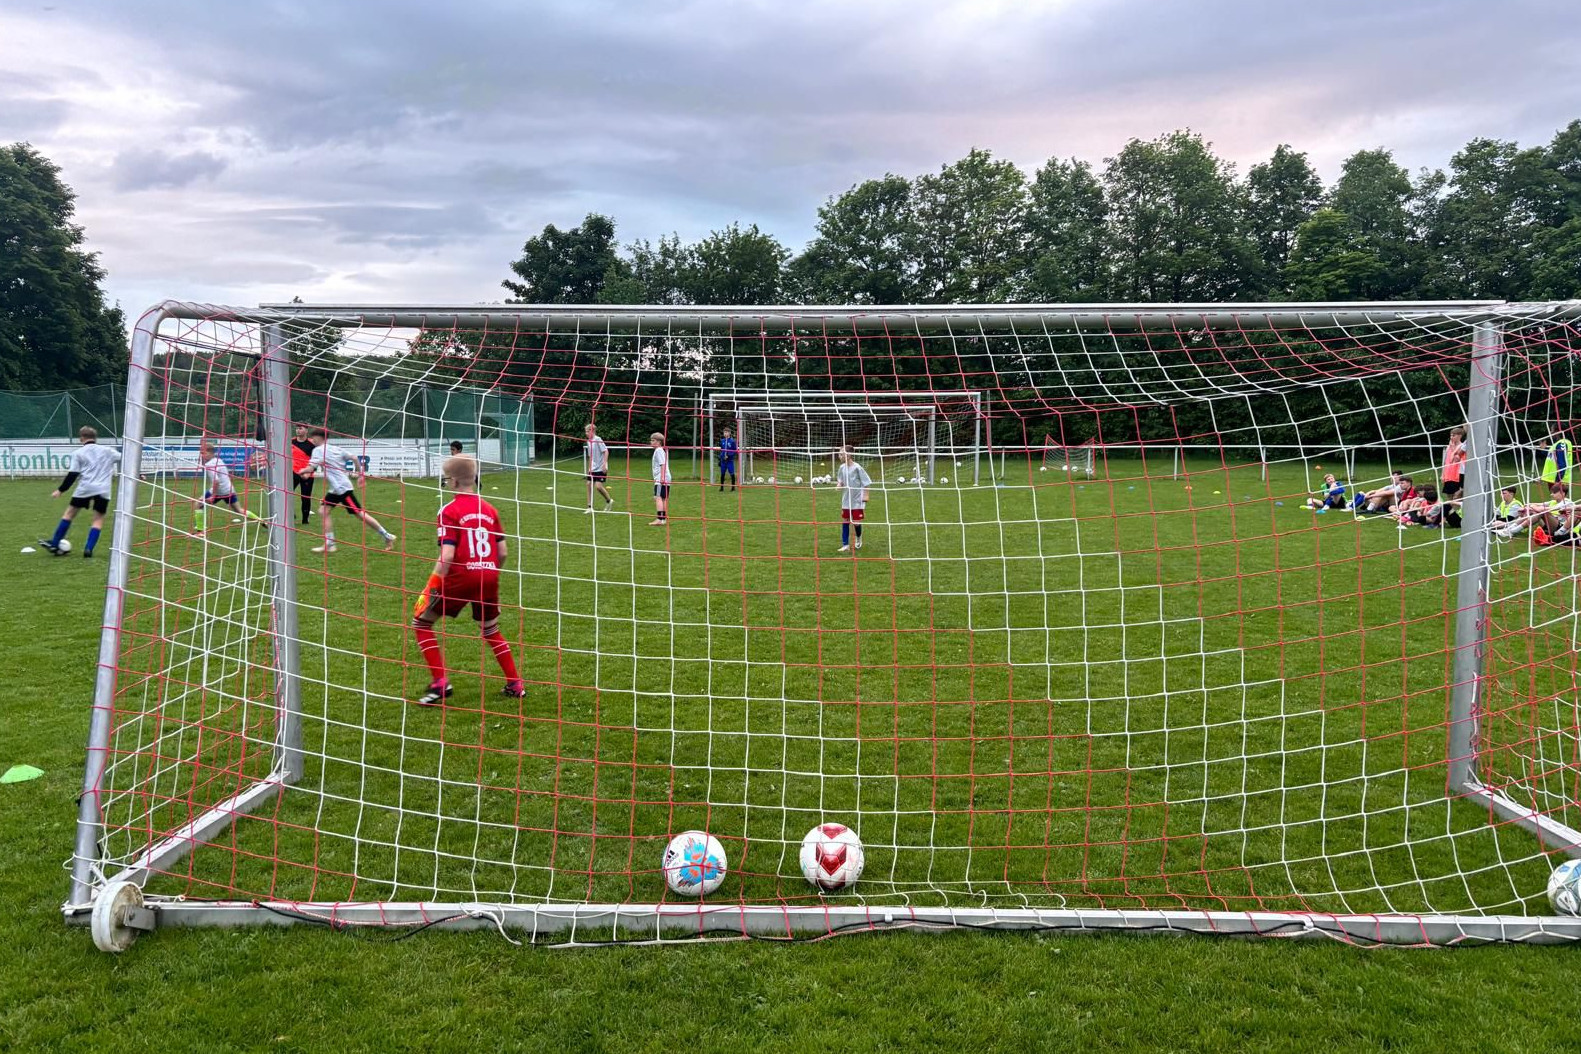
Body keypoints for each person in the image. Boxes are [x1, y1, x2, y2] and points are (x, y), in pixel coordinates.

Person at [410, 455, 524, 705]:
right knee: (491, 629)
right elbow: (503, 552)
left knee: (421, 623)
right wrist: (489, 571)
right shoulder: (490, 509)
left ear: (452, 481)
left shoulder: (449, 510)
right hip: (489, 575)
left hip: (461, 576)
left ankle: (440, 682)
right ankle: (515, 684)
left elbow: (447, 555)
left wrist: (430, 587)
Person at [304, 428, 397, 553]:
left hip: (342, 489)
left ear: (319, 437)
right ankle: (330, 543)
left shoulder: (318, 450)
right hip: (336, 489)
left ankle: (387, 535)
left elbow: (311, 467)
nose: (312, 440)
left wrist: (300, 471)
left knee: (360, 514)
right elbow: (354, 458)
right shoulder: (335, 449)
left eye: (313, 437)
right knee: (323, 511)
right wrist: (360, 475)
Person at [40, 426, 120, 558]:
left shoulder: (78, 453)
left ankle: (54, 543)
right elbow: (128, 460)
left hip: (85, 488)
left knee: (69, 514)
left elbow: (72, 475)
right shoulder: (108, 451)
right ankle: (88, 549)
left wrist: (61, 490)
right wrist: (139, 473)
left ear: (81, 438)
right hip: (103, 489)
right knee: (98, 520)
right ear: (95, 438)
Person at [196, 440, 256, 527]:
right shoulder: (219, 460)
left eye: (203, 453)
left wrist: (213, 496)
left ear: (210, 453)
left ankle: (200, 530)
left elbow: (216, 481)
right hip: (229, 489)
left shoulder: (209, 465)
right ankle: (261, 521)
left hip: (219, 491)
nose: (202, 455)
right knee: (239, 510)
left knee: (198, 504)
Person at [833, 446, 872, 552]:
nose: (839, 456)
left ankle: (859, 538)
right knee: (845, 520)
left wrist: (866, 495)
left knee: (856, 522)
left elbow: (866, 482)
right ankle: (845, 545)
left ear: (849, 455)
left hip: (857, 499)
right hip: (846, 498)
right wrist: (839, 485)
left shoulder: (857, 468)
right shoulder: (842, 467)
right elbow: (841, 480)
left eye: (841, 454)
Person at [584, 423, 614, 512]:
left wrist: (604, 464)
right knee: (588, 484)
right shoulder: (588, 441)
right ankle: (589, 507)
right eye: (585, 431)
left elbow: (606, 451)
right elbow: (590, 456)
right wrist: (589, 467)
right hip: (593, 467)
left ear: (592, 431)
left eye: (587, 431)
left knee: (598, 486)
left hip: (601, 467)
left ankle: (609, 501)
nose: (586, 433)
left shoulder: (598, 439)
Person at [291, 425, 316, 525]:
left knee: (305, 497)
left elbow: (316, 461)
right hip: (293, 473)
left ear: (306, 430)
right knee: (286, 495)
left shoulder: (312, 444)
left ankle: (305, 520)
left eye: (300, 428)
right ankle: (290, 514)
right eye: (297, 428)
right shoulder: (291, 441)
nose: (298, 430)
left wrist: (309, 472)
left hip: (307, 475)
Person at [649, 432, 670, 526]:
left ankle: (659, 519)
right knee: (664, 498)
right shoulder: (661, 450)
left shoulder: (658, 450)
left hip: (661, 478)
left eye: (653, 440)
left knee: (658, 497)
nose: (651, 442)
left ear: (659, 442)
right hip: (666, 477)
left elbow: (663, 464)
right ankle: (663, 519)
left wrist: (661, 477)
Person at [718, 427, 739, 491]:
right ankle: (721, 487)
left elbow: (735, 450)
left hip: (730, 461)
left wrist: (729, 455)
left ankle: (733, 487)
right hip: (723, 461)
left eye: (726, 432)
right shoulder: (722, 441)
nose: (725, 433)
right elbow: (721, 450)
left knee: (732, 473)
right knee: (722, 473)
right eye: (724, 432)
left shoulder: (732, 441)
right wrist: (721, 458)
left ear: (729, 433)